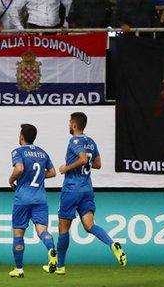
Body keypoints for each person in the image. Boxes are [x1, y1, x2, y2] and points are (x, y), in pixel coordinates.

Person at [55, 112, 127, 275]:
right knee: (90, 225)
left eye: (69, 123)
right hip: (87, 189)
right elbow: (98, 164)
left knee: (63, 229)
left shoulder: (74, 140)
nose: (68, 125)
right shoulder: (91, 142)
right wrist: (83, 164)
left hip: (72, 189)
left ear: (74, 125)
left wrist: (65, 168)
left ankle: (60, 266)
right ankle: (112, 244)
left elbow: (81, 159)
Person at [7, 124, 57, 278]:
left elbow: (20, 168)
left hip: (23, 198)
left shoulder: (17, 151)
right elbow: (53, 173)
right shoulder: (43, 153)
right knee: (42, 231)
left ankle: (19, 269)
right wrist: (40, 177)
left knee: (18, 234)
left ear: (22, 136)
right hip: (40, 198)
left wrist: (11, 180)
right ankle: (51, 250)